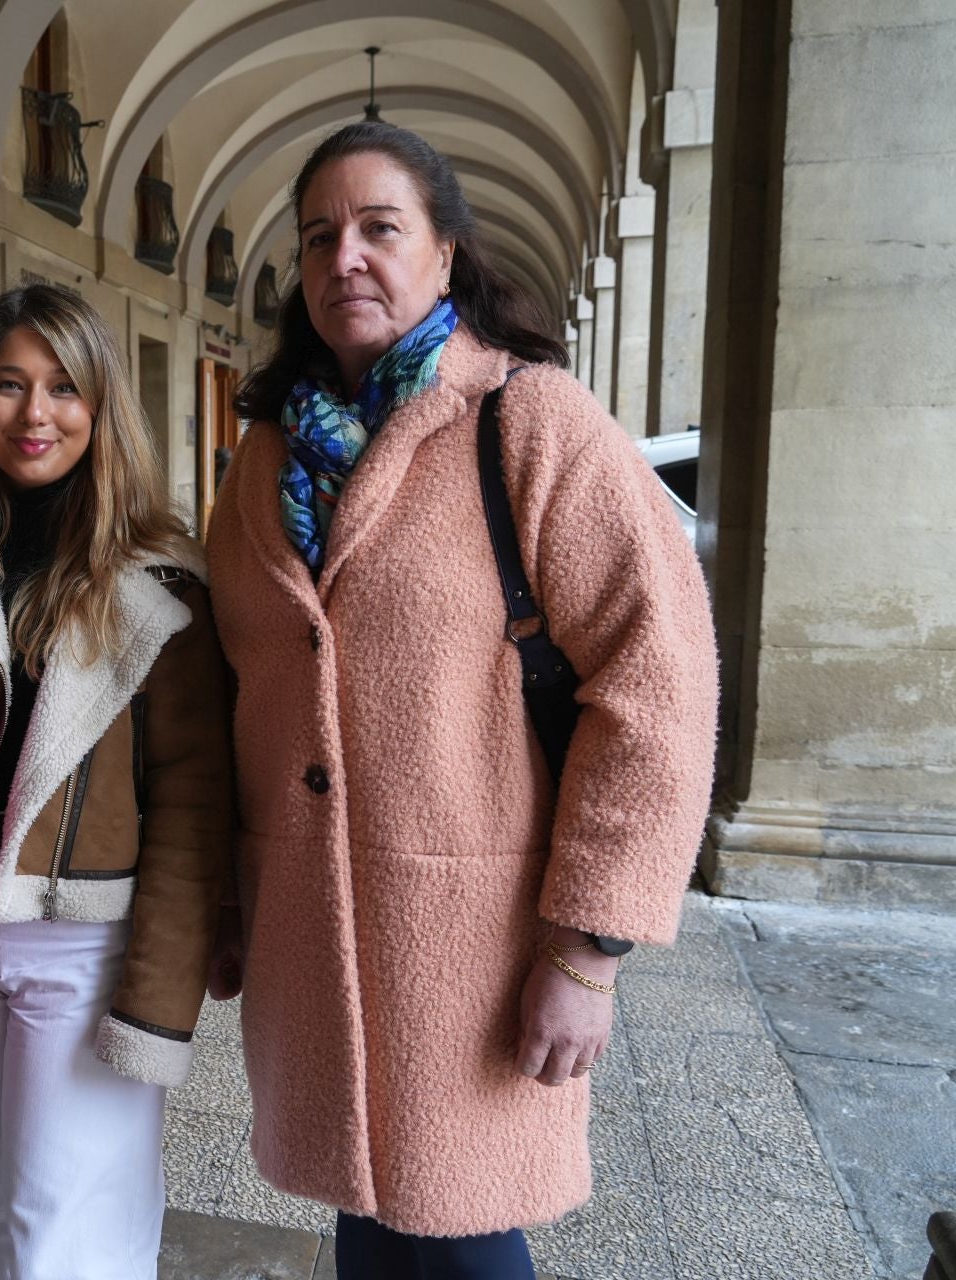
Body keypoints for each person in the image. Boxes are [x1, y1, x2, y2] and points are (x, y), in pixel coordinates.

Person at [204, 122, 719, 1278]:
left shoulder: (527, 421)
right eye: (320, 235)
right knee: (367, 1218)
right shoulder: (262, 464)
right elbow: (234, 686)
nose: (347, 257)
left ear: (445, 253)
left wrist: (589, 949)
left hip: (478, 942)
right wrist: (228, 901)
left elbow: (659, 682)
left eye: (381, 228)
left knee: (467, 1233)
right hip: (309, 931)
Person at [0, 284, 232, 1280]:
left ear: (101, 404)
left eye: (64, 387)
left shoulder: (161, 580)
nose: (36, 413)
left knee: (68, 1232)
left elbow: (194, 803)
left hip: (83, 941)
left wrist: (155, 1004)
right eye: (9, 385)